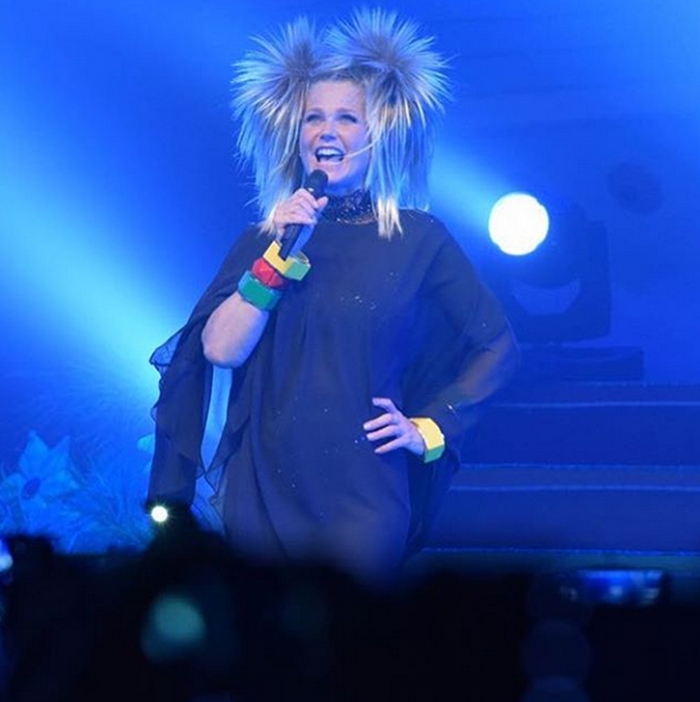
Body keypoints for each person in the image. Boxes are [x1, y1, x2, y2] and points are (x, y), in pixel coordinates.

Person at [147, 9, 519, 584]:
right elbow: (219, 349)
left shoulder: (416, 238)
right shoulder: (266, 240)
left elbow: (496, 346)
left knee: (350, 633)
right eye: (313, 118)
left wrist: (430, 427)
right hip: (264, 484)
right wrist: (280, 254)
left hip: (364, 491)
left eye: (347, 118)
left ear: (378, 135)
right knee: (266, 636)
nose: (327, 131)